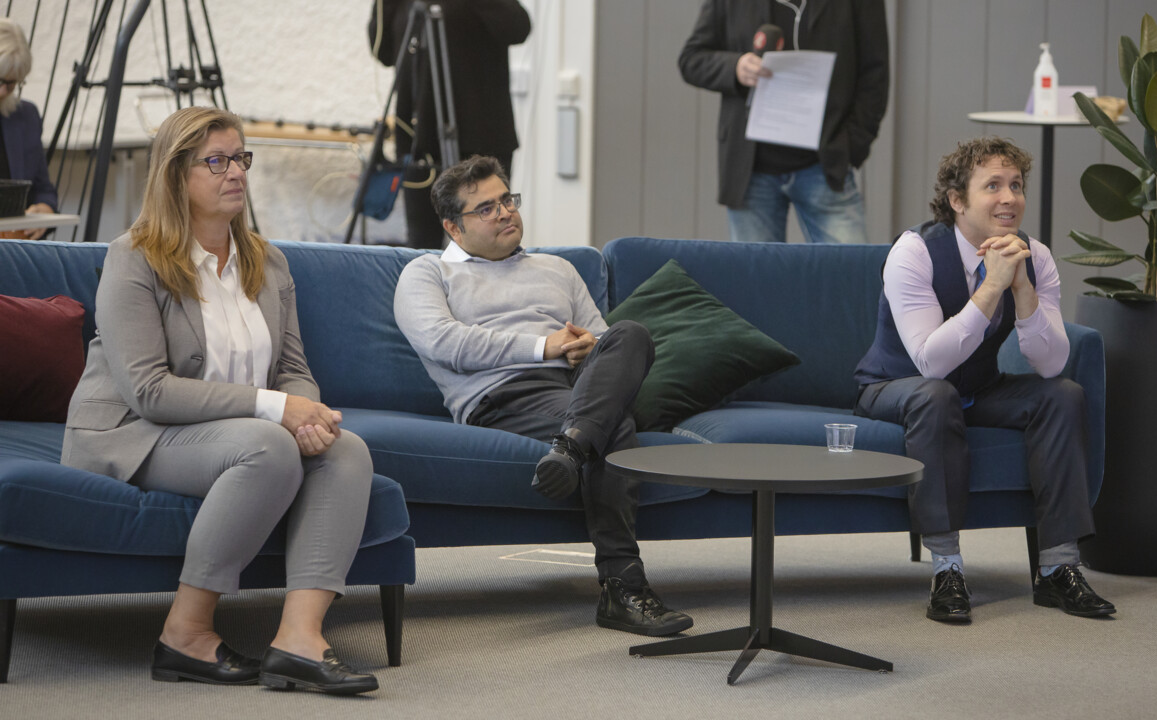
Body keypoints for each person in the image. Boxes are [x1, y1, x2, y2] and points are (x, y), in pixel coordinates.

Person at [60, 107, 379, 694]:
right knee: (267, 447)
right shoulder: (135, 257)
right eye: (217, 161)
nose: (236, 172)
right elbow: (150, 390)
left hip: (231, 434)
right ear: (176, 173)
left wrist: (304, 413)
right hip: (131, 432)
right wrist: (277, 411)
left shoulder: (268, 260)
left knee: (346, 450)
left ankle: (298, 642)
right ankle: (185, 634)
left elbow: (292, 369)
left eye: (241, 158)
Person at [393, 155, 694, 637]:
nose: (506, 212)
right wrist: (544, 345)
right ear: (453, 226)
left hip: (577, 389)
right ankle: (623, 586)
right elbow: (444, 342)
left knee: (630, 334)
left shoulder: (558, 268)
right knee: (614, 428)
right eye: (486, 208)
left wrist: (584, 348)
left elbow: (602, 340)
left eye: (507, 200)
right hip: (502, 397)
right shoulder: (428, 274)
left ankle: (571, 446)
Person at [852, 137, 1115, 623]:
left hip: (977, 388)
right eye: (992, 185)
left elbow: (1052, 363)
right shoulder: (914, 252)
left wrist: (1022, 287)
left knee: (1061, 395)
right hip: (897, 386)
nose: (1009, 197)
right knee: (936, 394)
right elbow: (931, 362)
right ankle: (947, 571)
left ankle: (1059, 569)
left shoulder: (1034, 256)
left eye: (1015, 185)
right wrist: (993, 285)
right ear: (957, 200)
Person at [678, 0, 889, 244]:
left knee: (850, 276)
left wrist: (852, 144)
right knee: (756, 280)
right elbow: (691, 59)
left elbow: (875, 72)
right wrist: (735, 67)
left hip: (826, 162)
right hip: (751, 169)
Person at [368, 0, 530, 249]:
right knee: (422, 247)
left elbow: (518, 28)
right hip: (419, 140)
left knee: (489, 244)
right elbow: (383, 51)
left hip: (481, 138)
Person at [0, 19, 57, 239]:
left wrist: (44, 209)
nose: (4, 91)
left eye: (12, 83)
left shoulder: (25, 117)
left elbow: (43, 188)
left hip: (14, 247)